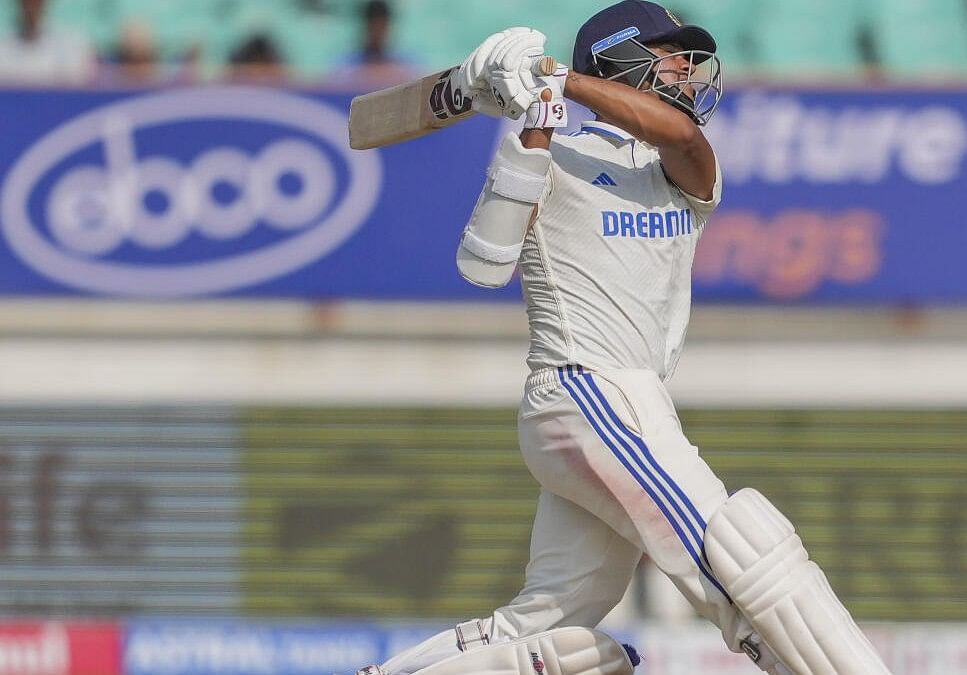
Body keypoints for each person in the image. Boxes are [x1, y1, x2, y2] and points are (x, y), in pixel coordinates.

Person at [356, 3, 892, 675]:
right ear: (618, 59)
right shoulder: (555, 155)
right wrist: (535, 123)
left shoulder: (681, 168)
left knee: (549, 619)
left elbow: (686, 140)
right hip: (587, 389)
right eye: (671, 53)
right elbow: (484, 264)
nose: (686, 69)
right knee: (736, 550)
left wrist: (557, 79)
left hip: (625, 401)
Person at [0, 0, 94, 84]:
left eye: (36, 2)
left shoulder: (72, 48)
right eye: (27, 2)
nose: (31, 7)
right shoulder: (2, 48)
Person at [334, 0, 420, 83]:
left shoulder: (403, 65)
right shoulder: (347, 65)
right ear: (366, 26)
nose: (378, 32)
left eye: (381, 26)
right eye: (374, 26)